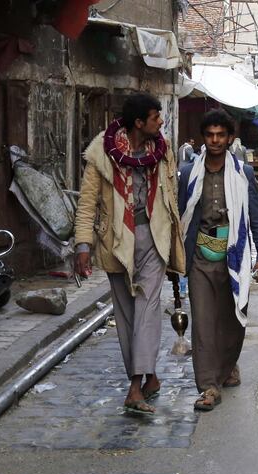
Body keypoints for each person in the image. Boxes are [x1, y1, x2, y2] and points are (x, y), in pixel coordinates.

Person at [74, 93, 185, 415]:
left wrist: (177, 246)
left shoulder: (163, 152)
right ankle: (148, 379)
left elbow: (172, 200)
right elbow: (87, 202)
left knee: (147, 311)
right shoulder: (102, 153)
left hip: (154, 238)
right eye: (155, 117)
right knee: (126, 317)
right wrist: (83, 245)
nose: (161, 122)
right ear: (139, 123)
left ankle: (135, 388)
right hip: (116, 243)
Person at [178, 109, 258, 411]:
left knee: (233, 322)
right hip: (199, 257)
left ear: (230, 138)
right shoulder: (189, 172)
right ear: (204, 138)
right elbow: (180, 216)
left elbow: (256, 217)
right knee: (203, 322)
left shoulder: (243, 173)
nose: (215, 140)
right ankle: (208, 385)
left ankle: (228, 364)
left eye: (221, 135)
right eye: (210, 135)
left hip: (235, 255)